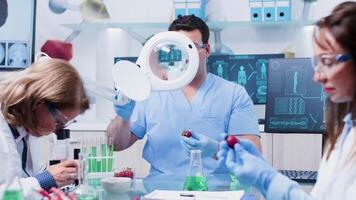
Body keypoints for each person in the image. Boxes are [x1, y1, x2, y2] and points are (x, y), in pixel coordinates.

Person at [217, 2, 356, 199]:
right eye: (316, 63)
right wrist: (265, 173)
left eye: (327, 61)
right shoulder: (345, 130)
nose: (317, 77)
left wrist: (268, 179)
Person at [107, 15, 261, 175]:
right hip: (160, 188)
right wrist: (122, 117)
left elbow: (253, 155)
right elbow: (116, 145)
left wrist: (216, 149)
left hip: (217, 189)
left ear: (206, 50)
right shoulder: (152, 93)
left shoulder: (233, 94)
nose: (185, 56)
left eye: (191, 47)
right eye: (178, 48)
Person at [0, 58, 90, 197]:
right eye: (59, 121)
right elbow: (5, 193)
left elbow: (25, 177)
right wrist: (46, 180)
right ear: (39, 101)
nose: (55, 130)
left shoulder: (27, 128)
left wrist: (54, 175)